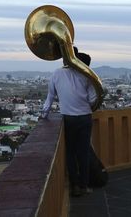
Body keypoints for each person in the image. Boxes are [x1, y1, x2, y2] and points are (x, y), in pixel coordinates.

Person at [41, 47, 96, 196]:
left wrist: (44, 115)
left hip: (68, 119)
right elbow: (92, 99)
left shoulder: (56, 74)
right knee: (83, 153)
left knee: (70, 153)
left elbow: (50, 98)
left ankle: (74, 186)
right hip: (85, 117)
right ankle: (84, 186)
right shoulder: (85, 74)